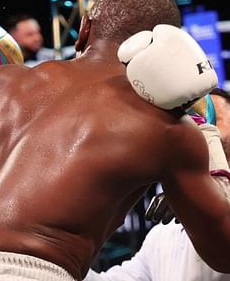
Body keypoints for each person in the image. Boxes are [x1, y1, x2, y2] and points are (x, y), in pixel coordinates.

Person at [0, 0, 230, 281]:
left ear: (84, 30)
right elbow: (223, 253)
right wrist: (207, 138)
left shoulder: (11, 84)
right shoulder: (166, 128)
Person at [84, 88, 230, 281]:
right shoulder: (162, 236)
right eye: (186, 121)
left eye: (209, 118)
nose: (195, 130)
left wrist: (204, 200)